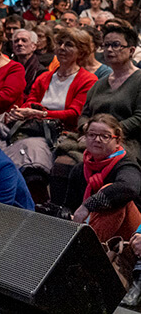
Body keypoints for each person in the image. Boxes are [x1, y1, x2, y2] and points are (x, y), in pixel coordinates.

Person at [63, 114, 141, 243]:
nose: (97, 140)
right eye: (92, 135)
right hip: (89, 226)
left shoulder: (126, 164)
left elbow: (129, 188)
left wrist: (89, 205)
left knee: (114, 196)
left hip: (133, 231)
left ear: (117, 141)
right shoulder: (79, 169)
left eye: (105, 136)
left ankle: (87, 249)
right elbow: (69, 205)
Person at [8, 28, 98, 133]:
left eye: (69, 45)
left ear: (81, 52)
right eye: (59, 43)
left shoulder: (88, 80)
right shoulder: (44, 77)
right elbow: (30, 103)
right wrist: (19, 112)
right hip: (36, 128)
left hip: (65, 133)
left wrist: (41, 114)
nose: (62, 48)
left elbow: (74, 114)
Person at [80, 23, 141, 160]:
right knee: (63, 160)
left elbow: (138, 119)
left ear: (131, 51)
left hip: (128, 141)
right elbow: (85, 114)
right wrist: (90, 130)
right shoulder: (100, 82)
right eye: (106, 45)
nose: (109, 49)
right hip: (94, 140)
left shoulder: (138, 80)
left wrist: (105, 133)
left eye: (116, 45)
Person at [11, 29, 47, 95]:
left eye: (24, 40)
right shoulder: (7, 66)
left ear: (34, 46)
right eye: (16, 41)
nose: (19, 43)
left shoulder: (41, 72)